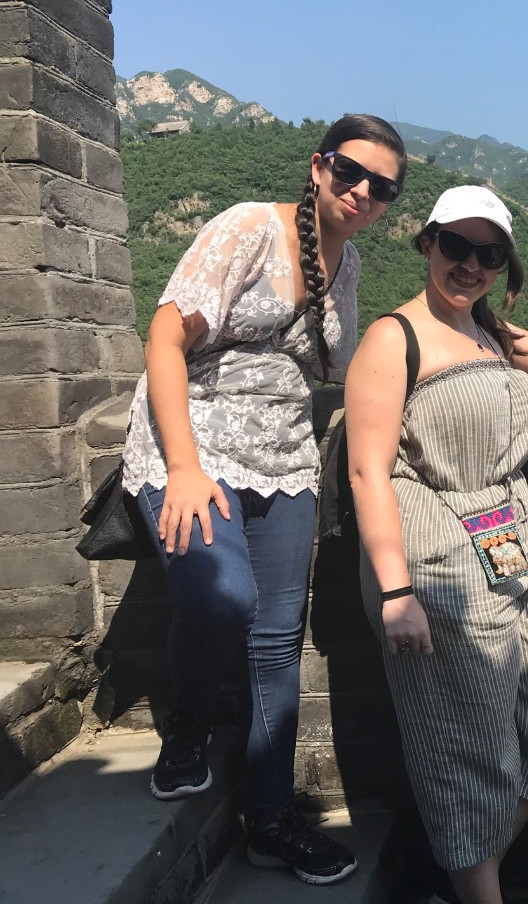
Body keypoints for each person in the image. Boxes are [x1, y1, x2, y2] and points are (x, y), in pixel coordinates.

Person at [122, 114, 407, 886]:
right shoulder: (248, 228)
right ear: (318, 166)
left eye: (382, 187)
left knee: (278, 641)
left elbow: (336, 370)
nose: (362, 193)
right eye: (350, 173)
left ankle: (272, 821)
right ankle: (187, 726)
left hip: (282, 460)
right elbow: (163, 336)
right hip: (193, 449)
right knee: (223, 600)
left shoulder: (344, 268)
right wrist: (183, 468)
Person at [344, 185, 528, 904]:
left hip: (510, 540)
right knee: (469, 746)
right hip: (436, 554)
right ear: (427, 243)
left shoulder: (493, 333)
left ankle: (454, 880)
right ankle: (479, 892)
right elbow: (368, 469)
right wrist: (396, 591)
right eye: (457, 246)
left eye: (490, 254)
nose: (470, 265)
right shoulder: (397, 338)